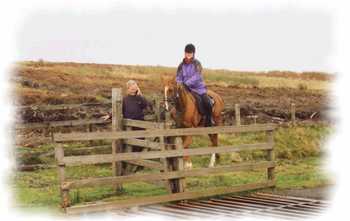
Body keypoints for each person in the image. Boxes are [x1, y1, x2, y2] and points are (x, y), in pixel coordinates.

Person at [176, 43, 213, 126]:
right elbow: (178, 77)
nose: (188, 55)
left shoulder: (197, 64)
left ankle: (209, 119)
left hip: (198, 89)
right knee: (177, 100)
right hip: (185, 89)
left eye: (190, 53)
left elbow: (197, 76)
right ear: (184, 53)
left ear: (193, 54)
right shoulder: (181, 66)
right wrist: (179, 83)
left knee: (207, 102)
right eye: (187, 53)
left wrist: (186, 82)